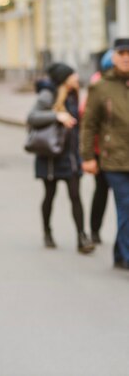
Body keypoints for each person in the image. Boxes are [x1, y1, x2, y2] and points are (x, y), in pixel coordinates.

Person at [27, 63, 95, 253]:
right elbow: (32, 117)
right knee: (50, 195)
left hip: (70, 156)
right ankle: (47, 232)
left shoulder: (73, 94)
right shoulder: (48, 94)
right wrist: (57, 116)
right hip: (50, 156)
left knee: (76, 196)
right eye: (72, 74)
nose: (76, 77)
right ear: (64, 78)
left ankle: (82, 237)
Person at [81, 37, 129, 270]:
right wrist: (88, 156)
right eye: (122, 53)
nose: (126, 57)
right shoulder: (101, 87)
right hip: (114, 159)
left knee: (126, 209)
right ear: (114, 57)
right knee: (126, 205)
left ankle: (120, 254)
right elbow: (88, 124)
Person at [80, 50, 114, 244]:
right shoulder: (98, 85)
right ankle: (94, 229)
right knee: (102, 191)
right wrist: (90, 155)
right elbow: (87, 118)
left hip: (118, 149)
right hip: (101, 150)